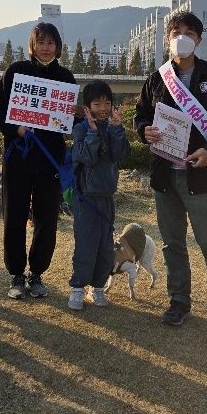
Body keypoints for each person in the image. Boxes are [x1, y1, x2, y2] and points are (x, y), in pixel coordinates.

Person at [133, 10, 207, 338]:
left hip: (202, 175)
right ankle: (179, 300)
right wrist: (145, 131)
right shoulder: (157, 78)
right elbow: (140, 116)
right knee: (172, 243)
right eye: (175, 31)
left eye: (188, 31)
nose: (181, 36)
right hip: (165, 175)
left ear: (198, 38)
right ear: (167, 38)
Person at [0, 22, 77, 300]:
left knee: (47, 218)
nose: (46, 47)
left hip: (50, 159)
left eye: (51, 43)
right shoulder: (16, 71)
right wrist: (15, 129)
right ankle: (16, 274)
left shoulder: (65, 77)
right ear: (32, 45)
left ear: (58, 47)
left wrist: (78, 114)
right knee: (14, 214)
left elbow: (68, 118)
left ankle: (37, 273)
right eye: (41, 42)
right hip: (18, 157)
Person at [68, 80, 130, 311]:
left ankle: (98, 287)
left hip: (107, 195)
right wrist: (93, 133)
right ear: (87, 107)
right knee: (86, 243)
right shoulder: (81, 128)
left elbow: (120, 154)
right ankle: (77, 288)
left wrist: (116, 129)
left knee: (105, 245)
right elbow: (86, 158)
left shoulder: (112, 125)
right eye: (97, 103)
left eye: (107, 102)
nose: (103, 108)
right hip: (85, 197)